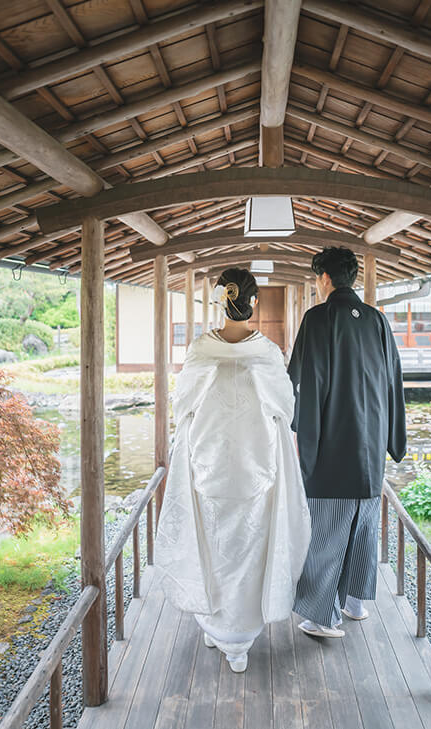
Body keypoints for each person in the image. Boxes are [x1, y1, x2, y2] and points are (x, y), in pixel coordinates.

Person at [155, 268, 312, 673]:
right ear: (253, 303)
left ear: (220, 301)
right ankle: (239, 635)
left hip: (208, 464)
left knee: (211, 546)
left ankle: (213, 622)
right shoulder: (268, 352)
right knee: (251, 549)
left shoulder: (200, 349)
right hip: (256, 466)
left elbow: (183, 407)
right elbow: (284, 411)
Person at [289, 247, 406, 638]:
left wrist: (300, 434)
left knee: (327, 531)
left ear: (324, 278)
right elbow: (394, 382)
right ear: (351, 277)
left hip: (332, 446)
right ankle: (355, 603)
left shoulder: (318, 318)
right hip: (370, 448)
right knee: (363, 526)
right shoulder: (376, 320)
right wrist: (393, 438)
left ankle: (324, 617)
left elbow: (303, 379)